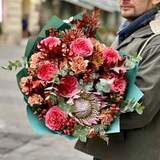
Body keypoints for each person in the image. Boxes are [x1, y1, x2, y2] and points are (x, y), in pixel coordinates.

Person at [75, 0, 160, 160]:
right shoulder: (128, 32)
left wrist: (83, 112)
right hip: (113, 150)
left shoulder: (156, 41)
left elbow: (142, 106)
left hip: (133, 153)